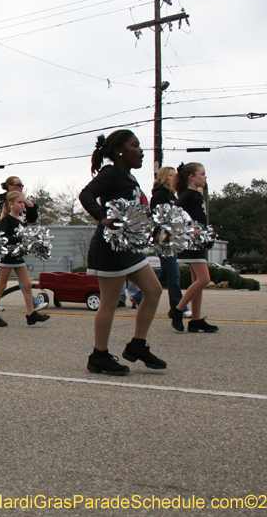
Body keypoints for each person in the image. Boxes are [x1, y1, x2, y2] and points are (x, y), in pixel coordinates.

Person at [78, 130, 165, 376]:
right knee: (110, 302)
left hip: (128, 247)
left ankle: (137, 345)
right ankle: (98, 356)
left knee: (153, 290)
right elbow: (86, 194)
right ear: (120, 151)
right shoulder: (111, 172)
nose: (141, 151)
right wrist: (103, 217)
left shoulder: (129, 176)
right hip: (109, 248)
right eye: (135, 146)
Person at [0, 191, 51, 327]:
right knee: (1, 286)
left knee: (27, 285)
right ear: (11, 204)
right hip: (7, 257)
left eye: (23, 202)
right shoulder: (6, 219)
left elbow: (33, 218)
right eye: (19, 202)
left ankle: (31, 314)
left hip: (18, 257)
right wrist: (19, 239)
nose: (22, 205)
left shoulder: (22, 218)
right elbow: (3, 237)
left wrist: (33, 207)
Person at [170, 162, 219, 333]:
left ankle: (196, 320)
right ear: (192, 177)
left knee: (197, 281)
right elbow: (174, 211)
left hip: (199, 243)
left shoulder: (195, 194)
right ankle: (177, 310)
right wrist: (190, 228)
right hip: (192, 244)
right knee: (204, 279)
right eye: (202, 174)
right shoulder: (188, 194)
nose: (205, 177)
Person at [150, 166, 191, 318]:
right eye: (171, 175)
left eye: (175, 175)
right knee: (174, 273)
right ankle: (178, 307)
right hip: (163, 239)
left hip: (172, 238)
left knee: (165, 274)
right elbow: (158, 218)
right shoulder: (159, 195)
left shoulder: (172, 196)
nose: (174, 178)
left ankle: (140, 296)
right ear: (163, 177)